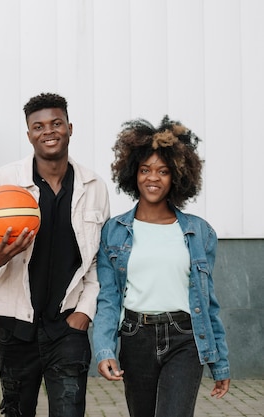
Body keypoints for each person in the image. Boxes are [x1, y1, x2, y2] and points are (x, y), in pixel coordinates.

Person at [0, 92, 110, 417]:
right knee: (17, 411)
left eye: (56, 123)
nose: (48, 131)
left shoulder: (94, 186)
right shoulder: (5, 181)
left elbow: (97, 262)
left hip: (68, 325)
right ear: (29, 134)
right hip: (15, 324)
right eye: (38, 126)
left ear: (70, 128)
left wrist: (85, 313)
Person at [92, 116, 231, 416]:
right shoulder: (114, 232)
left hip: (185, 338)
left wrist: (220, 363)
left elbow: (208, 304)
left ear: (178, 176)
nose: (152, 178)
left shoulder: (199, 233)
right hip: (134, 337)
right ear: (132, 174)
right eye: (145, 170)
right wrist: (103, 349)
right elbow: (108, 298)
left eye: (163, 171)